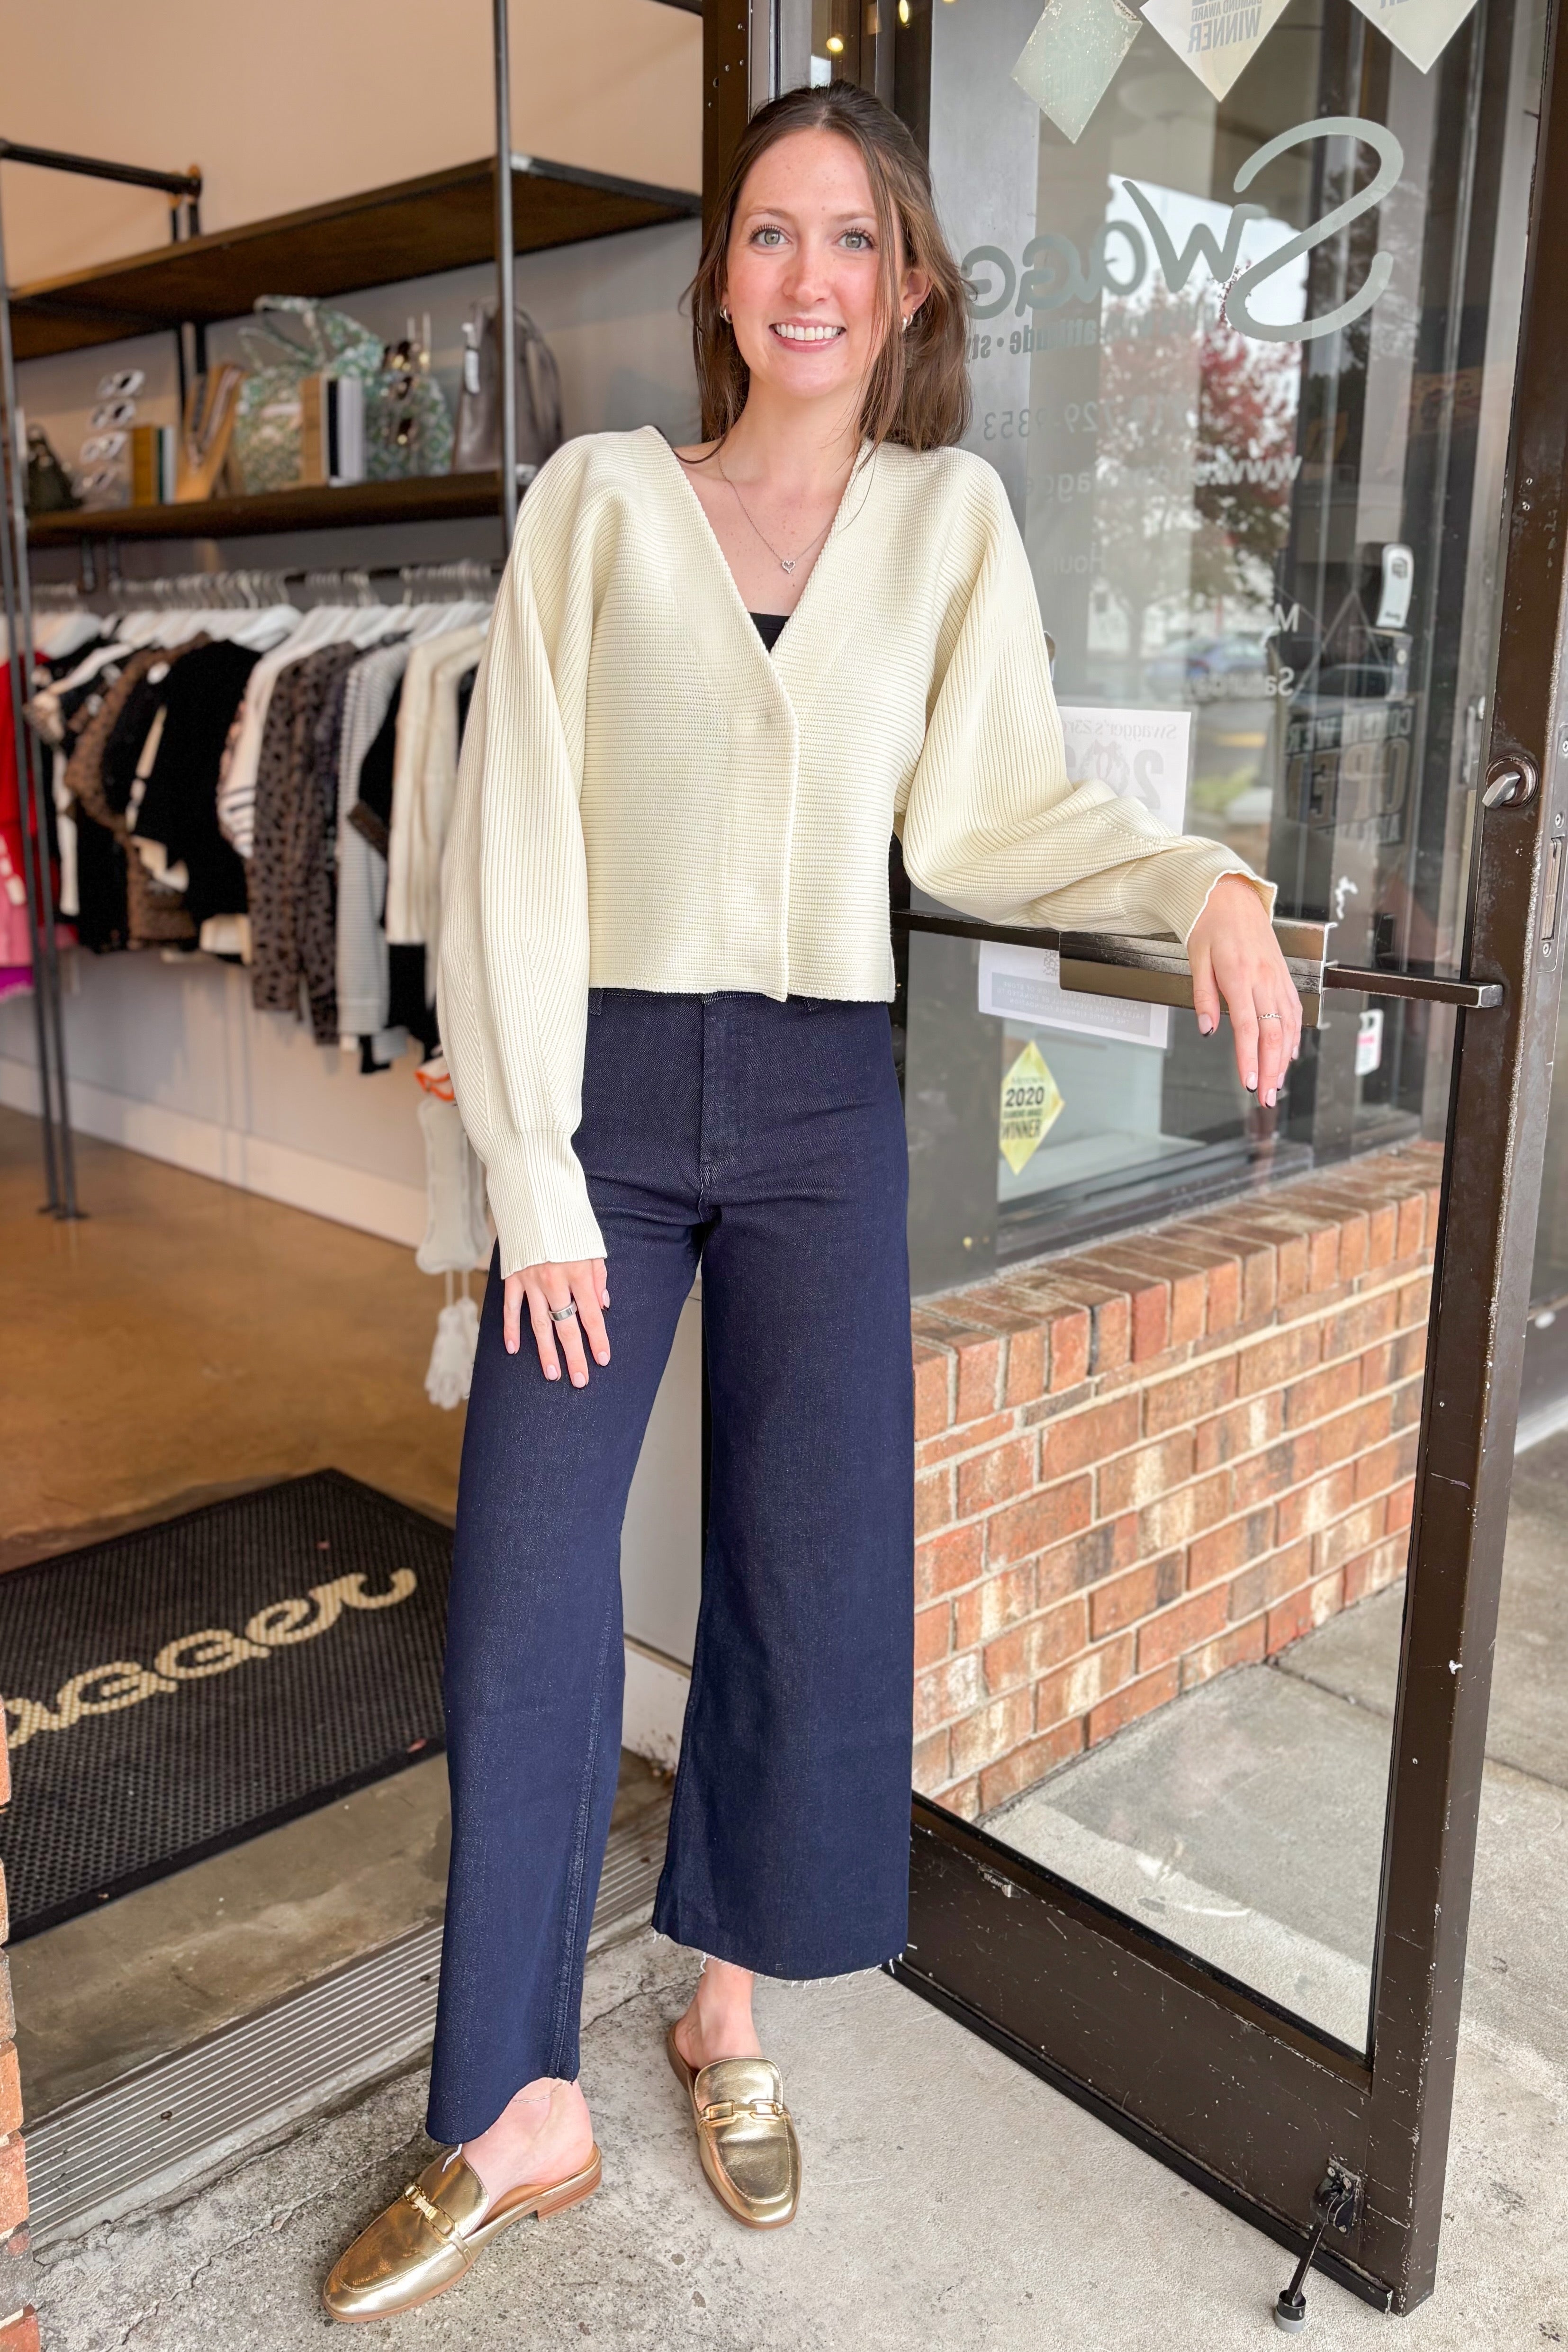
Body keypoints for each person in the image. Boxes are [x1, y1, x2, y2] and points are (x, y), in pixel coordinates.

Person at [323, 78, 1300, 2323]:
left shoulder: (949, 522)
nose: (809, 276)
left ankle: (723, 2009)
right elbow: (503, 847)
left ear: (910, 283)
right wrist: (534, 1170)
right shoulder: (598, 502)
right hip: (607, 1096)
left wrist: (1210, 880)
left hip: (822, 1100)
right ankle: (514, 2107)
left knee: (804, 1573)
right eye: (770, 234)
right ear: (726, 276)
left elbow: (995, 821)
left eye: (851, 240)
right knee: (529, 1597)